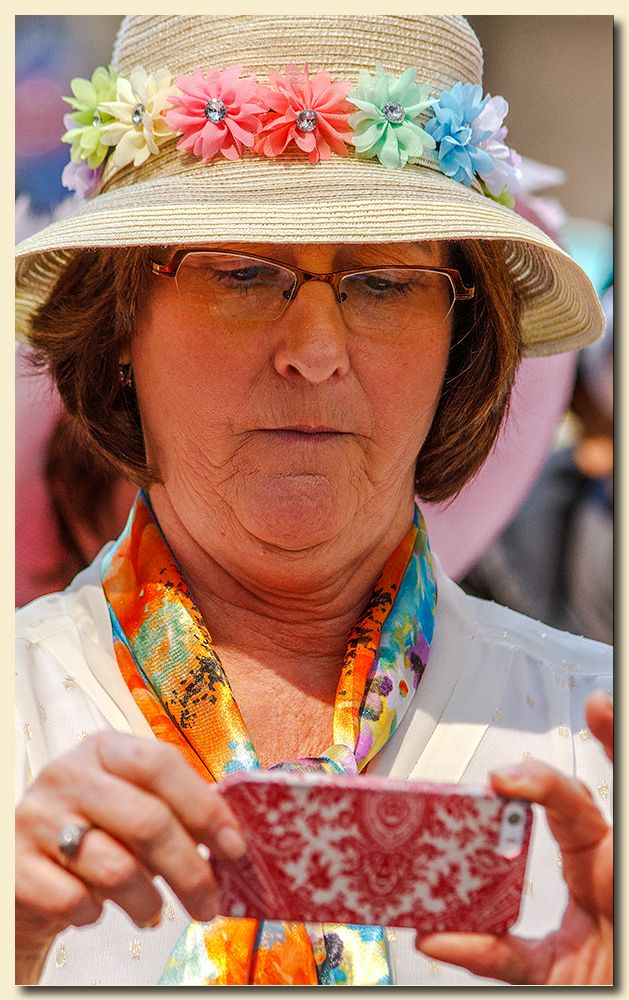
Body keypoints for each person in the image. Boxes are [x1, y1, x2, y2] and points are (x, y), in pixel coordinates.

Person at [15, 15, 612, 987]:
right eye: (243, 273)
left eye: (382, 284)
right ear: (122, 317)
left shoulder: (590, 742)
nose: (316, 351)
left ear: (457, 337)